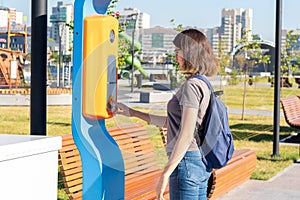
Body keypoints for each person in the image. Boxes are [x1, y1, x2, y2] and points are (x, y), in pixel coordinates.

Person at [118, 28, 219, 200]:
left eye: (177, 51)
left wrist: (166, 173)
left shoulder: (191, 86)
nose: (176, 56)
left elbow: (186, 135)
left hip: (186, 163)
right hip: (201, 163)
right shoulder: (203, 83)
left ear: (189, 53)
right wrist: (134, 112)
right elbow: (175, 122)